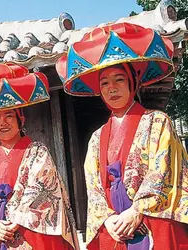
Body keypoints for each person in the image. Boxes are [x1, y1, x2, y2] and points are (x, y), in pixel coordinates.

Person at [56, 22, 188, 249]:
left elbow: (163, 171)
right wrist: (108, 218)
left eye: (119, 79)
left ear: (133, 82)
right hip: (114, 226)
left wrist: (137, 211)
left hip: (151, 220)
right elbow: (94, 186)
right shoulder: (97, 137)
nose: (112, 88)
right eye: (104, 83)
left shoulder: (157, 121)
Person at [0, 63, 79, 250]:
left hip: (29, 236)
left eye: (9, 116)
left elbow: (39, 189)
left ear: (21, 119)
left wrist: (14, 222)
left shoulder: (37, 152)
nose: (2, 122)